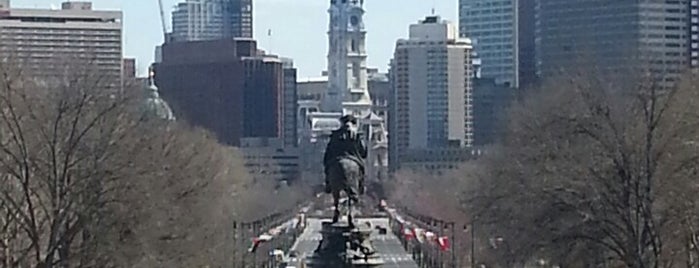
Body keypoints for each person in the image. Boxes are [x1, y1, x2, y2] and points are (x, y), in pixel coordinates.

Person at [323, 114, 368, 202]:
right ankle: (360, 187)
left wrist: (327, 161)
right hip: (354, 159)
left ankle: (328, 185)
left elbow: (329, 151)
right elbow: (363, 153)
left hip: (337, 159)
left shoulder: (335, 135)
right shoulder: (358, 135)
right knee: (362, 171)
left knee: (328, 169)